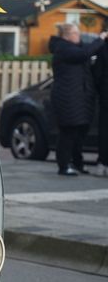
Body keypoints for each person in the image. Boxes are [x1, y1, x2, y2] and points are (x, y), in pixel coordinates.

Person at [48, 23, 105, 175]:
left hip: (79, 98)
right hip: (67, 97)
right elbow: (84, 54)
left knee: (79, 133)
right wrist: (100, 39)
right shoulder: (63, 49)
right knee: (68, 131)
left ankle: (77, 163)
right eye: (75, 33)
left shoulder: (73, 48)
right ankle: (64, 165)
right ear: (66, 36)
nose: (78, 36)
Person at [94, 29, 108, 177]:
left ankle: (102, 162)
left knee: (104, 131)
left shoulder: (103, 49)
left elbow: (97, 74)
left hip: (105, 96)